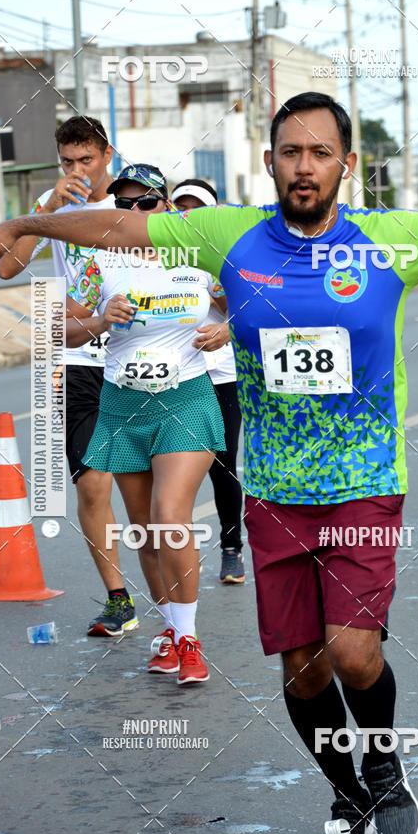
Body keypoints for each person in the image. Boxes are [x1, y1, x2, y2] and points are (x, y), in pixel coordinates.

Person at [0, 91, 418, 834]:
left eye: (320, 153)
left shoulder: (395, 238)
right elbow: (119, 225)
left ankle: (382, 768)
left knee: (352, 652)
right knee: (304, 673)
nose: (304, 167)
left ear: (347, 164)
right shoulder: (232, 234)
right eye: (290, 152)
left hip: (364, 483)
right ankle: (347, 796)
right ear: (273, 161)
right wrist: (25, 222)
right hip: (274, 492)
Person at [65, 164, 226, 685]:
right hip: (123, 404)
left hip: (186, 398)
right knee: (146, 534)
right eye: (123, 204)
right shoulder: (100, 260)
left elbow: (251, 305)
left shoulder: (198, 253)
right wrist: (97, 319)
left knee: (169, 514)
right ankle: (168, 629)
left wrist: (225, 331)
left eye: (144, 203)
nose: (132, 213)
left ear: (166, 207)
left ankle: (189, 638)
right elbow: (62, 329)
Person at [0, 116, 138, 638]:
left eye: (87, 160)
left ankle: (177, 612)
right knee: (92, 486)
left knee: (142, 491)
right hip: (76, 361)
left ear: (108, 155)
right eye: (68, 162)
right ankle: (119, 598)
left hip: (133, 356)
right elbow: (7, 269)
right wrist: (46, 209)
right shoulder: (53, 208)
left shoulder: (131, 202)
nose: (78, 171)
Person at [172, 179, 245, 585]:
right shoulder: (160, 257)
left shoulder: (220, 259)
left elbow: (244, 311)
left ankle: (232, 549)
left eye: (195, 209)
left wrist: (224, 314)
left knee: (222, 465)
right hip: (175, 376)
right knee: (169, 469)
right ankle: (173, 556)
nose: (187, 216)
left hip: (219, 374)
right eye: (180, 208)